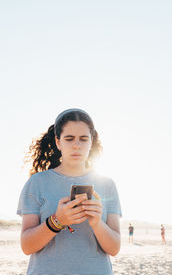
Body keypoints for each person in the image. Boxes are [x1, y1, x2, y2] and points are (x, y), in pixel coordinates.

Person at [17, 108, 122, 275]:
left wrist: (96, 222)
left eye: (83, 139)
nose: (76, 145)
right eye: (69, 138)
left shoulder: (106, 184)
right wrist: (57, 221)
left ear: (91, 142)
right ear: (58, 142)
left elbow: (114, 248)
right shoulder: (37, 183)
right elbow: (27, 246)